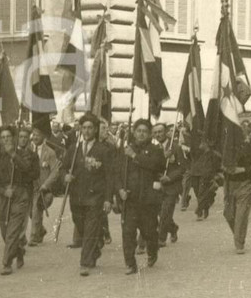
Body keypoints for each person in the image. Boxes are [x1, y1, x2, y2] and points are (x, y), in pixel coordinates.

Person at [59, 114, 115, 276]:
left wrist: (108, 199)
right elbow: (63, 167)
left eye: (90, 128)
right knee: (81, 225)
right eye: (84, 127)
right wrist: (65, 176)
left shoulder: (104, 150)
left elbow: (109, 176)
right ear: (80, 129)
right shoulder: (74, 149)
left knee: (90, 227)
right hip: (77, 196)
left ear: (95, 129)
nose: (87, 131)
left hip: (95, 196)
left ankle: (85, 262)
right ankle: (95, 247)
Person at [0, 126, 40, 276]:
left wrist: (14, 155)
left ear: (14, 138)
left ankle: (6, 263)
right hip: (4, 195)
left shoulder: (27, 155)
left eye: (8, 137)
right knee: (3, 226)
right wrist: (3, 190)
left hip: (20, 194)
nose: (6, 140)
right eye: (3, 137)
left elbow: (31, 172)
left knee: (12, 230)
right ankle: (18, 250)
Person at [118, 119, 165, 275]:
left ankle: (152, 252)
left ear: (150, 134)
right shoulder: (125, 150)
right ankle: (130, 264)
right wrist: (120, 190)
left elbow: (156, 165)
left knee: (150, 232)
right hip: (130, 199)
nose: (141, 134)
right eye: (138, 131)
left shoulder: (155, 150)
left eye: (145, 131)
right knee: (128, 233)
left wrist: (135, 156)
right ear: (133, 132)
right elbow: (117, 173)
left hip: (148, 200)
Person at [223, 128, 251, 255]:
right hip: (229, 184)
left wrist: (243, 169)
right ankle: (238, 234)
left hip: (245, 184)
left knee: (241, 214)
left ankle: (239, 242)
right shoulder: (226, 149)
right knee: (228, 214)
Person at [28, 125, 61, 246]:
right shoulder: (28, 149)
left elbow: (55, 171)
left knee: (36, 210)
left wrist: (46, 185)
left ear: (44, 136)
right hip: (29, 186)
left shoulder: (50, 152)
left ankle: (33, 238)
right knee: (30, 213)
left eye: (38, 135)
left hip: (42, 188)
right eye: (34, 134)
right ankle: (40, 230)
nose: (35, 137)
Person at [156, 123, 188, 247]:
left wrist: (169, 177)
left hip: (172, 186)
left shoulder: (175, 148)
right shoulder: (153, 148)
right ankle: (173, 228)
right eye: (156, 132)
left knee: (166, 211)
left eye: (160, 132)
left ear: (166, 133)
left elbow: (183, 168)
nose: (158, 134)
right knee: (160, 212)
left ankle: (161, 239)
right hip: (157, 185)